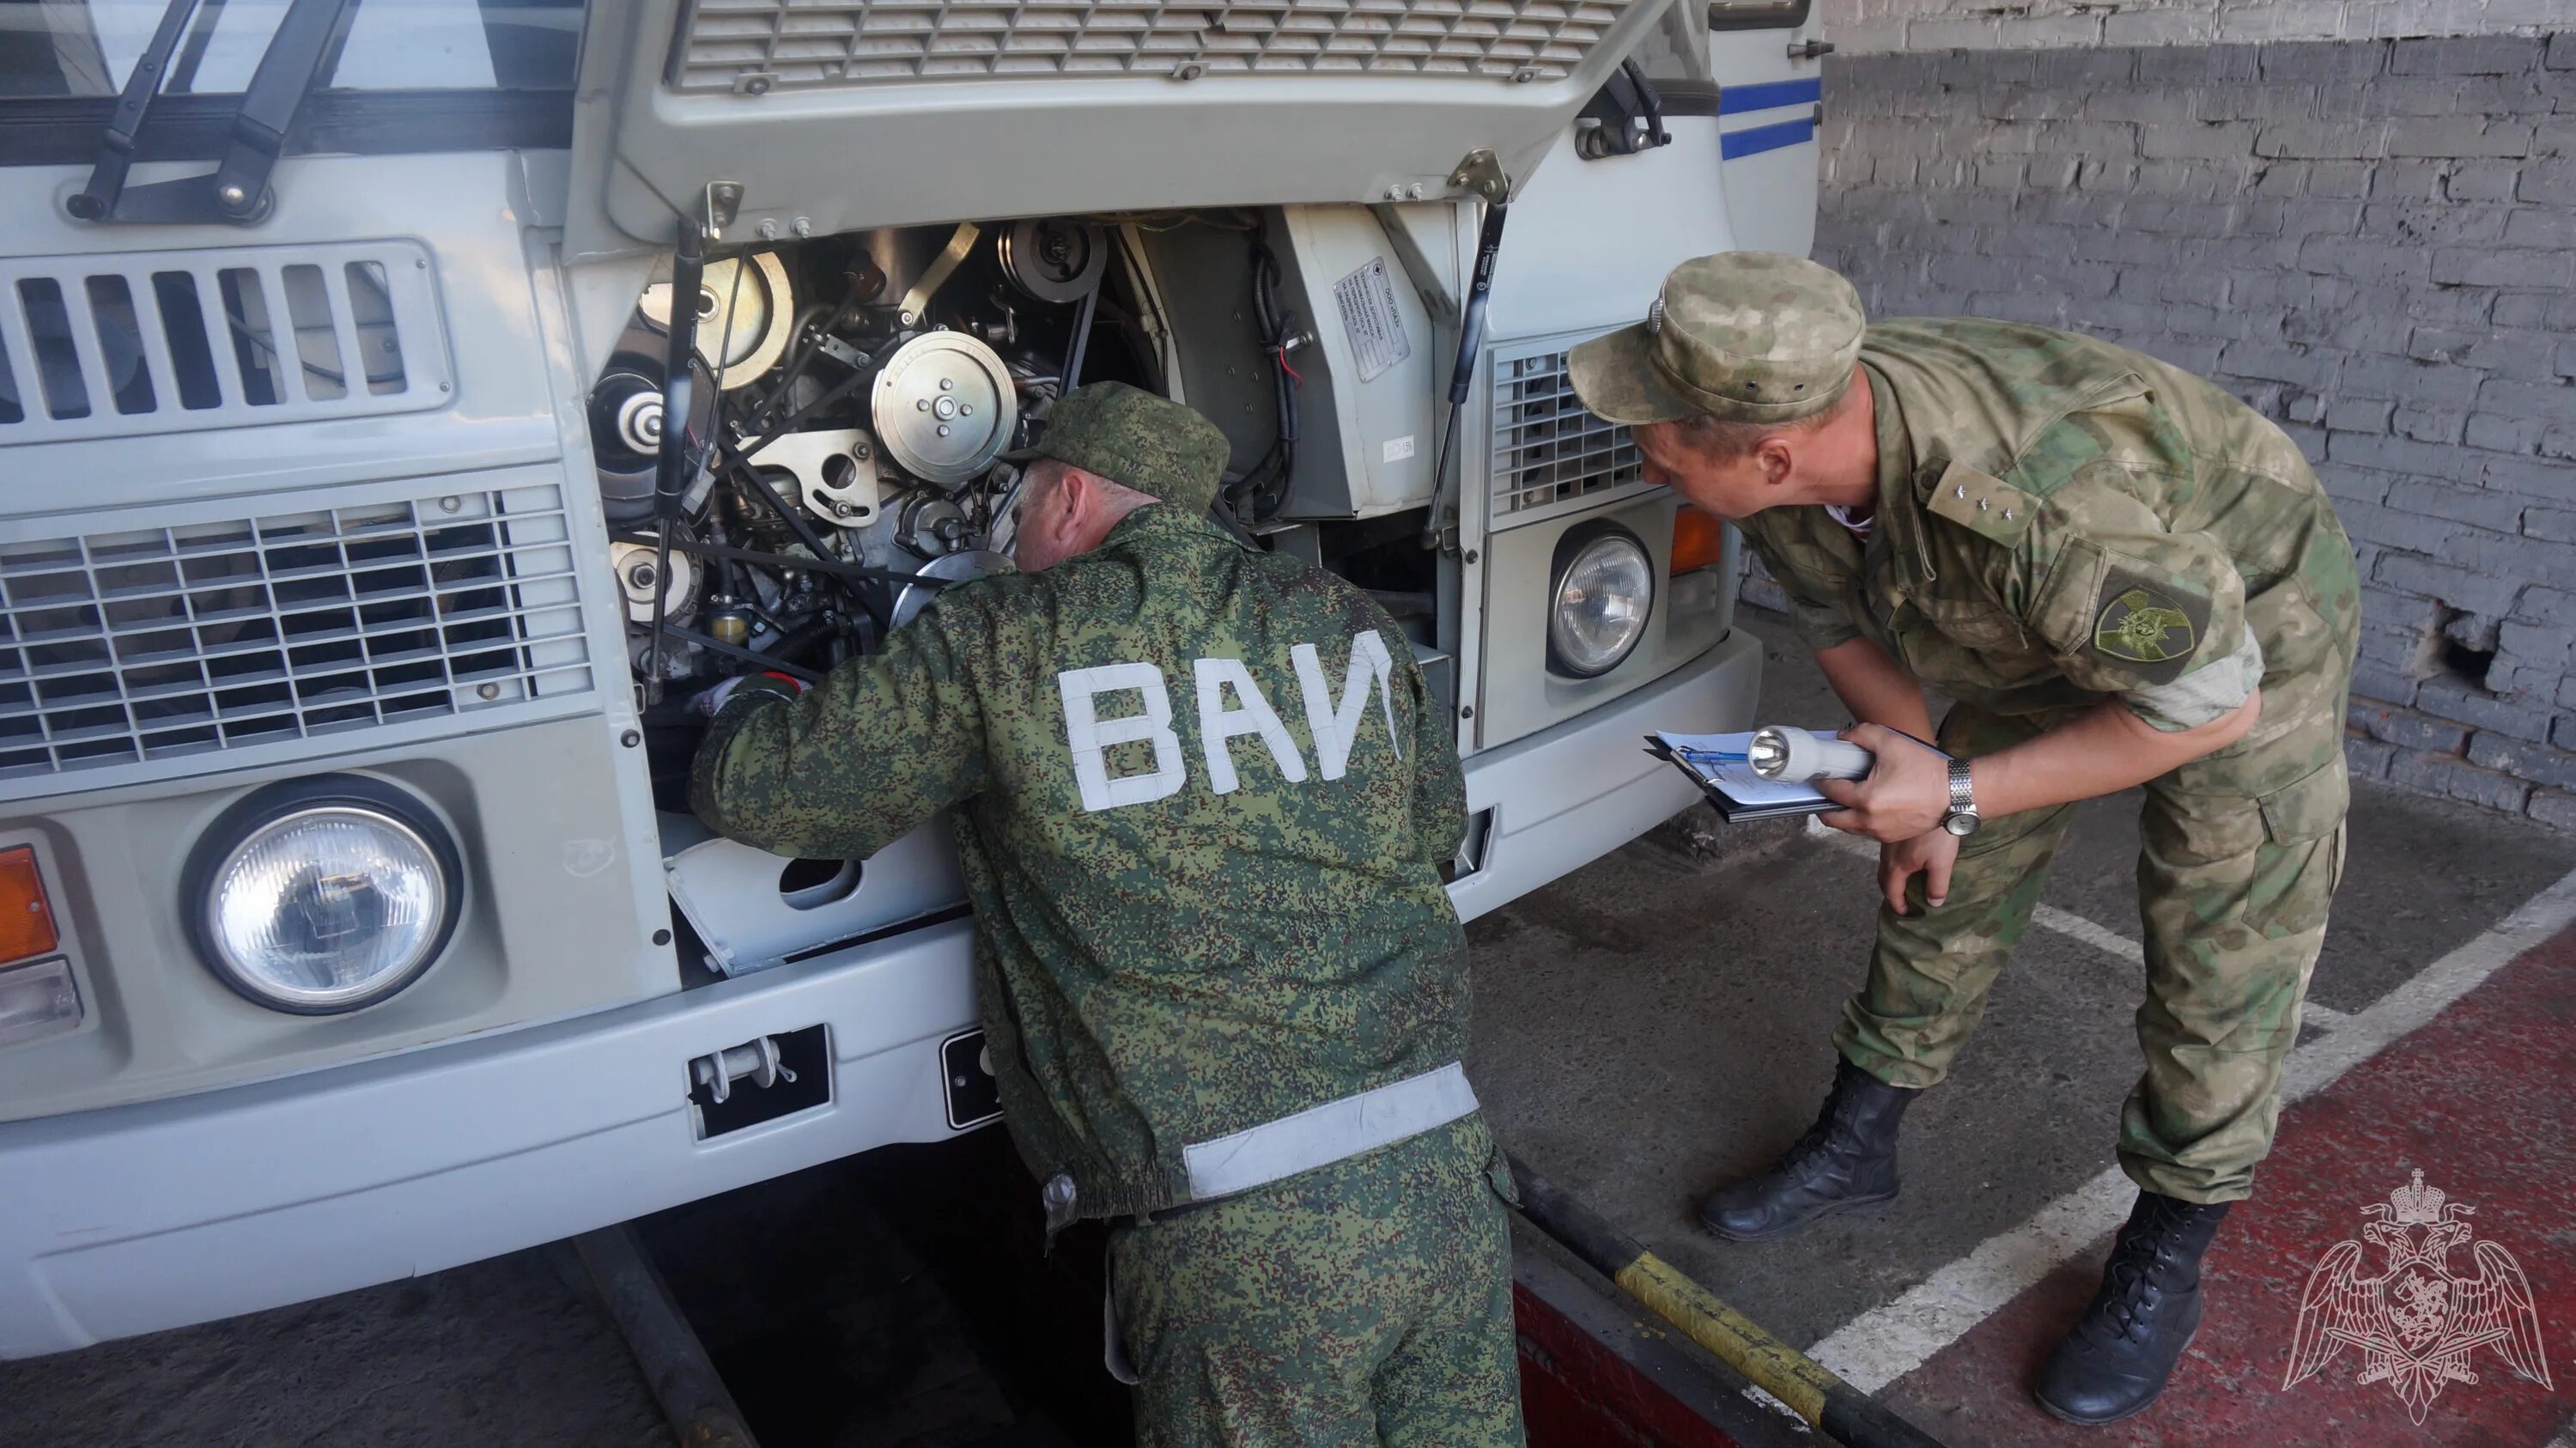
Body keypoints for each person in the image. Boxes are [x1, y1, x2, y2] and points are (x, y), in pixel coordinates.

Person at [1569, 253, 2358, 1426]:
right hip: (2037, 621)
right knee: (1935, 873)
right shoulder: (1794, 457)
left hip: (2237, 639)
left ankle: (2167, 1250)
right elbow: (1841, 623)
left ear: (1768, 450)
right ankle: (1859, 1138)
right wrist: (1919, 789)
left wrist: (1965, 788)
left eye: (1661, 432)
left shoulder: (2038, 510)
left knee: (2223, 949)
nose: (1643, 448)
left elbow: (2212, 701)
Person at [690, 381, 1524, 1447]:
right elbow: (1427, 830)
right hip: (1447, 1173)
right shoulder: (1344, 621)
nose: (1015, 535)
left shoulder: (1000, 641)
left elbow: (766, 792)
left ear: (1071, 497)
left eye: (1023, 506)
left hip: (1243, 1244)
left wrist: (750, 698)